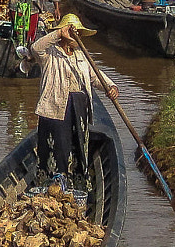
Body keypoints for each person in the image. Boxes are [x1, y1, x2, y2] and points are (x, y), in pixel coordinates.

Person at [30, 15, 118, 197]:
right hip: (55, 107)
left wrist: (110, 86)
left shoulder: (81, 56)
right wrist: (57, 34)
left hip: (79, 108)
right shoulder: (49, 54)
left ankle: (77, 183)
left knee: (78, 143)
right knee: (57, 144)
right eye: (72, 33)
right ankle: (54, 182)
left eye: (78, 33)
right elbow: (35, 48)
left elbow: (95, 75)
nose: (77, 38)